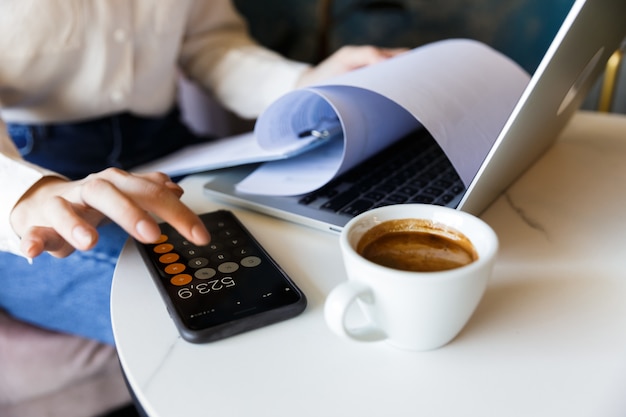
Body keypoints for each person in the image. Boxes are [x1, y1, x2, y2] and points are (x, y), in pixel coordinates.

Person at [0, 0, 403, 345]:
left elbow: (210, 43)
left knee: (308, 247)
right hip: (32, 169)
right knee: (206, 307)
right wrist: (25, 193)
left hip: (167, 149)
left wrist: (302, 83)